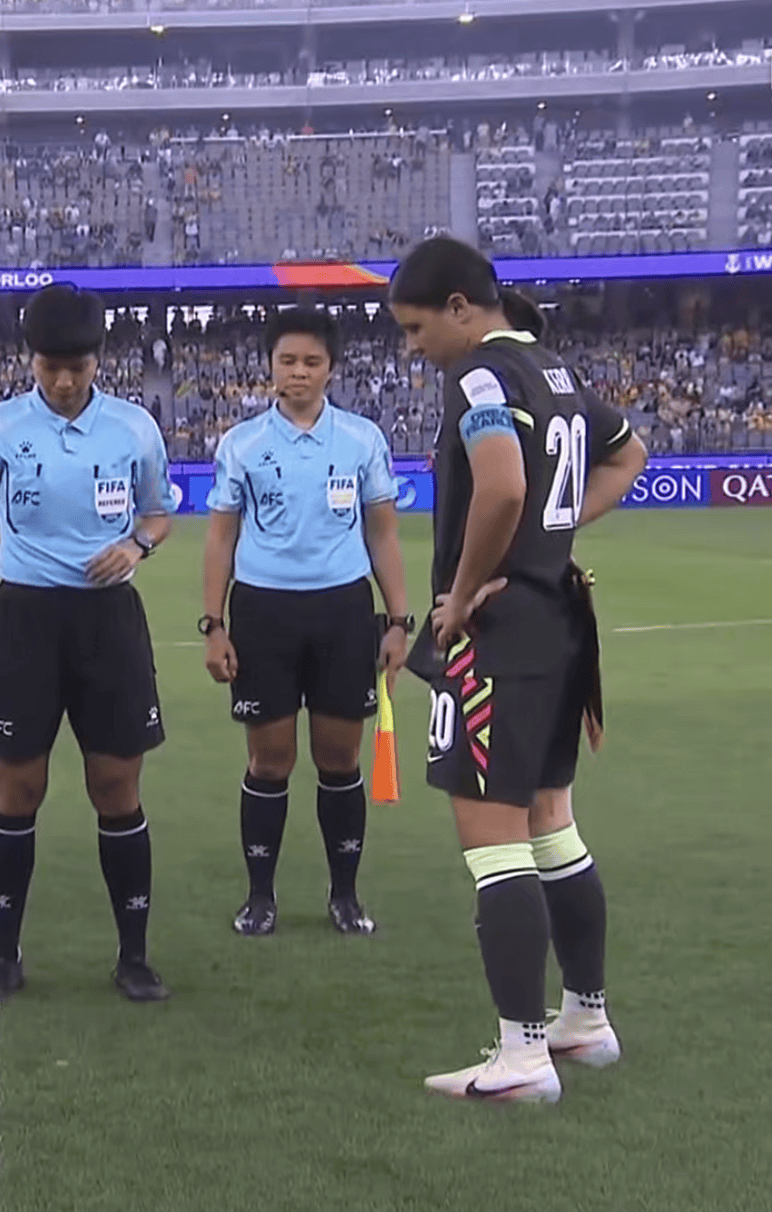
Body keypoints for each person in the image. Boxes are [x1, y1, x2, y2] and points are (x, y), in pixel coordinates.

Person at [387, 236, 646, 1103]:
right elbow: (630, 455)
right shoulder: (556, 372)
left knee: (493, 840)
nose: (413, 347)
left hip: (498, 632)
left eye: (417, 327)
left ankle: (522, 1054)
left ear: (461, 307)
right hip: (560, 620)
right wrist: (553, 537)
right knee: (551, 825)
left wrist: (460, 597)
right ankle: (586, 1020)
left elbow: (499, 489)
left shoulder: (482, 376)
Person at [0, 283, 173, 1004]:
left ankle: (134, 957)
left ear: (99, 359)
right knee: (19, 789)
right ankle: (4, 957)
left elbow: (159, 514)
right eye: (50, 367)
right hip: (24, 620)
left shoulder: (134, 427)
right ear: (31, 360)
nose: (65, 381)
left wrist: (136, 545)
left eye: (78, 366)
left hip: (109, 623)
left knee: (116, 786)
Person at [201, 307, 412, 939]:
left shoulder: (361, 439)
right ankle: (259, 896)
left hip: (343, 612)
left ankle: (344, 895)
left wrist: (398, 621)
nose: (298, 372)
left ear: (332, 368)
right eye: (287, 360)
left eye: (311, 361)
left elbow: (383, 534)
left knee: (339, 759)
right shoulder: (241, 443)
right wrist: (213, 624)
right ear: (269, 365)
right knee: (270, 761)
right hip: (262, 612)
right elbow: (220, 540)